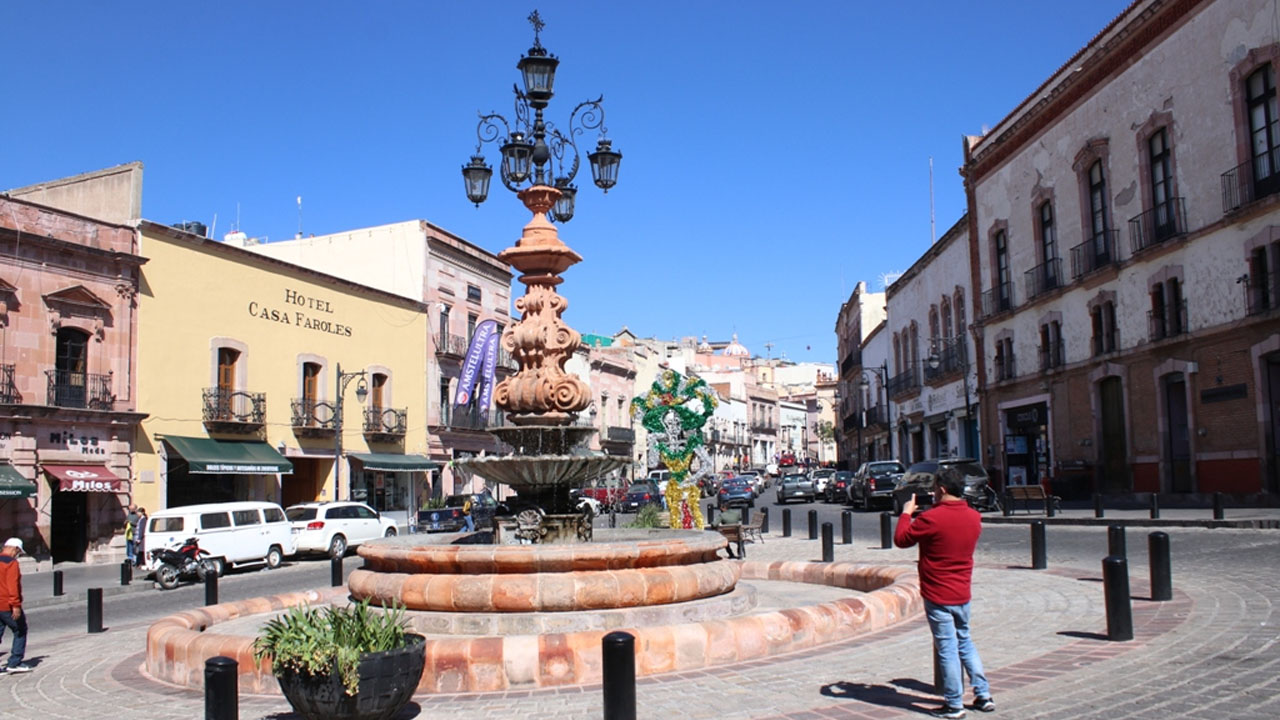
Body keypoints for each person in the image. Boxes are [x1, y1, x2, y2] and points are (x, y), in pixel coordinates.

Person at [894, 468, 994, 718]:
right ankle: (983, 695)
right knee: (965, 642)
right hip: (963, 591)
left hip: (938, 592)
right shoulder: (974, 517)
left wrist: (907, 514)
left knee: (947, 647)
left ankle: (954, 704)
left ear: (943, 489)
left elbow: (902, 539)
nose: (934, 491)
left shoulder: (932, 518)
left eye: (936, 487)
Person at [0, 537, 31, 674]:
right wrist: (16, 605)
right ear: (14, 549)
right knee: (20, 630)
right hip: (7, 605)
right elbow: (13, 586)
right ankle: (15, 662)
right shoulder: (11, 563)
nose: (17, 555)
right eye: (18, 552)